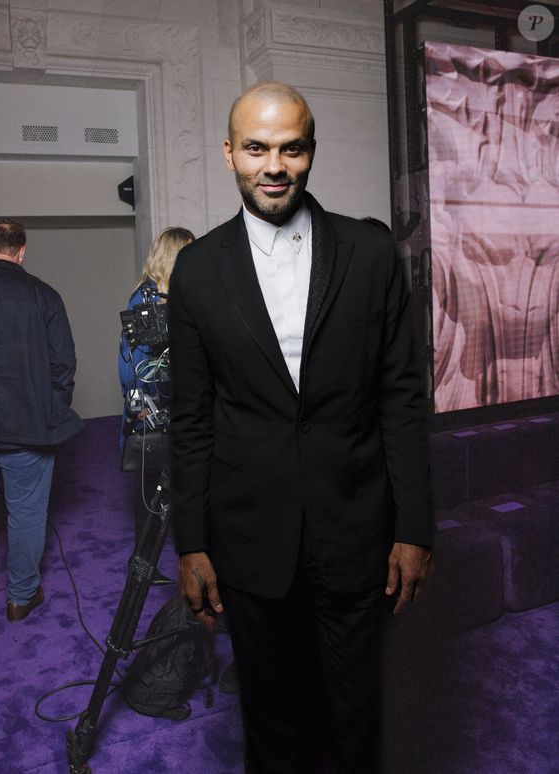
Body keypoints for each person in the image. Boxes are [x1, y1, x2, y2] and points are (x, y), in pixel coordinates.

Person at [168, 82, 433, 773]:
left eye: (291, 148)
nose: (274, 165)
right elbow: (191, 416)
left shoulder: (371, 254)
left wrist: (415, 527)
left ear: (311, 152)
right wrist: (191, 542)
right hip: (249, 535)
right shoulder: (196, 270)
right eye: (257, 148)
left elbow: (401, 396)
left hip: (356, 527)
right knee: (271, 721)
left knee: (358, 716)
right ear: (231, 154)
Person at [0, 219, 82, 624]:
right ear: (21, 251)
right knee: (26, 512)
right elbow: (64, 365)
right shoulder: (44, 295)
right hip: (29, 427)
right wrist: (50, 411)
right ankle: (20, 598)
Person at [118, 227, 194, 582]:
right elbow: (129, 365)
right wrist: (141, 406)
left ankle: (188, 561)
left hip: (183, 405)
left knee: (184, 488)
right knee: (153, 490)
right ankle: (142, 564)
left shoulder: (182, 295)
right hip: (153, 408)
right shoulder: (143, 301)